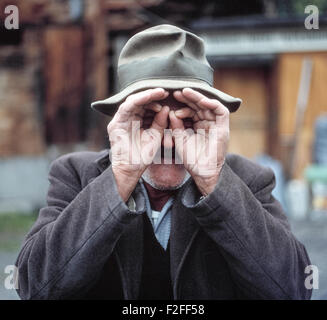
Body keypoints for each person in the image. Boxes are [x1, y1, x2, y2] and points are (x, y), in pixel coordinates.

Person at [15, 24, 312, 300]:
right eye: (147, 119)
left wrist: (214, 183)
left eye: (188, 121)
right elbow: (35, 288)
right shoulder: (76, 174)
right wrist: (120, 178)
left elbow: (293, 290)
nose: (169, 141)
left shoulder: (248, 180)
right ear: (120, 122)